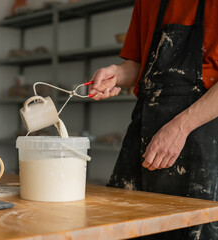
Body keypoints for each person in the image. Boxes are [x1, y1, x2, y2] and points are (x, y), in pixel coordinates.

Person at [88, 0, 218, 239]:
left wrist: (181, 127)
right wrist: (116, 75)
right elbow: (139, 64)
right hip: (145, 129)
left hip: (202, 134)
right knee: (120, 224)